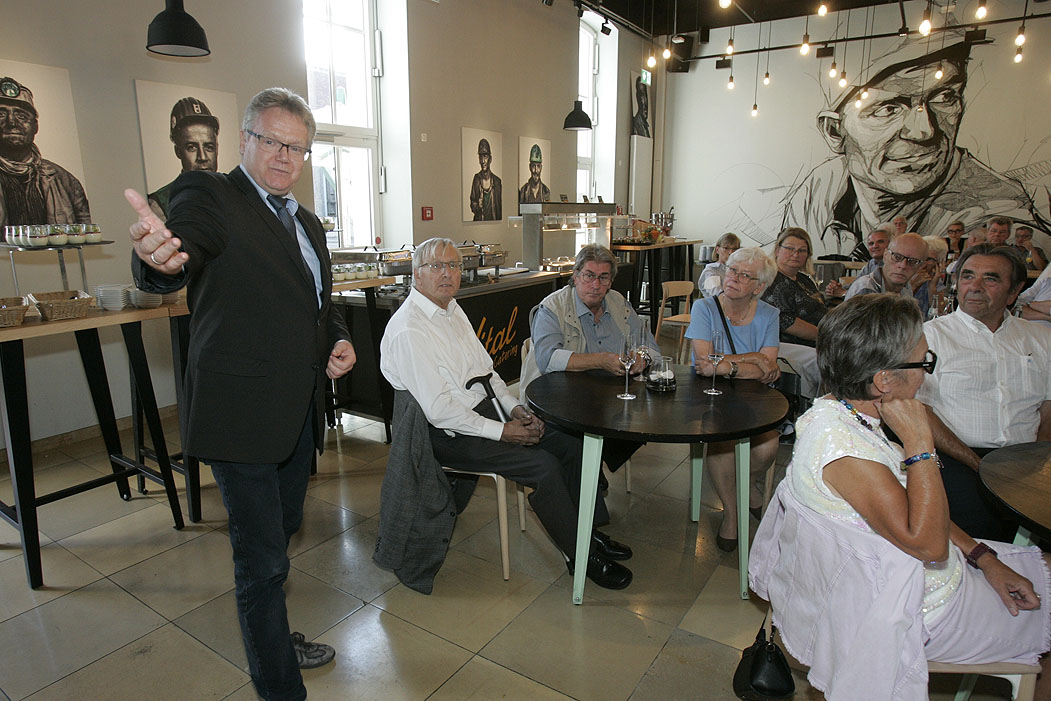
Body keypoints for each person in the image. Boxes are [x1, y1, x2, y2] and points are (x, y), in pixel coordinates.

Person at [125, 87, 355, 701]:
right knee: (261, 563)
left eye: (298, 148)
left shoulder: (305, 221)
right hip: (240, 417)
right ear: (246, 140)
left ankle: (276, 636)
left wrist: (335, 338)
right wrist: (159, 259)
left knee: (278, 540)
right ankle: (280, 687)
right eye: (273, 142)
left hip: (296, 414)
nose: (285, 158)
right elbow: (182, 245)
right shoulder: (212, 196)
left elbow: (317, 304)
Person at [749, 294, 1051, 701]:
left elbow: (910, 508)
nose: (927, 376)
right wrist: (920, 445)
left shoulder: (830, 412)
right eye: (924, 363)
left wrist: (982, 555)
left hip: (898, 584)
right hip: (918, 610)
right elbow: (927, 544)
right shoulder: (850, 453)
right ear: (884, 381)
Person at [380, 237, 633, 590]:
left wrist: (516, 410)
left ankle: (586, 533)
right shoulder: (410, 329)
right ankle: (581, 555)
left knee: (570, 445)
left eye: (454, 265)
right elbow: (440, 412)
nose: (447, 274)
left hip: (481, 415)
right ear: (415, 274)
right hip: (441, 434)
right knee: (543, 467)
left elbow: (488, 375)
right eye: (436, 266)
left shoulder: (452, 310)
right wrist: (504, 432)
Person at [783, 41, 1048, 249]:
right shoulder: (817, 192)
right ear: (834, 132)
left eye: (943, 97)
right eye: (888, 109)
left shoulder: (994, 211)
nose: (923, 131)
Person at [916, 244, 1051, 540]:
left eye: (990, 279)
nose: (975, 287)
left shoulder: (1041, 339)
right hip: (957, 458)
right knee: (984, 532)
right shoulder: (929, 336)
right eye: (967, 276)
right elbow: (919, 411)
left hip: (1026, 460)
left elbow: (1048, 409)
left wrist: (1038, 462)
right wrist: (978, 465)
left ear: (1014, 291)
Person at [522, 244, 660, 484]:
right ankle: (587, 496)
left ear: (611, 281)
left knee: (643, 422)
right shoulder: (552, 308)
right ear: (575, 276)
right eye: (589, 276)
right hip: (561, 402)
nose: (595, 285)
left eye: (603, 277)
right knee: (577, 437)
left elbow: (651, 348)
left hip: (608, 400)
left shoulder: (618, 304)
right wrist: (601, 360)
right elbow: (547, 359)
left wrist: (642, 358)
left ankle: (593, 464)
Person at [685, 247, 781, 551]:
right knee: (721, 443)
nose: (733, 278)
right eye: (731, 270)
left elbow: (767, 373)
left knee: (768, 447)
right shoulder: (704, 308)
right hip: (708, 394)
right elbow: (704, 364)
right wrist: (751, 359)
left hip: (754, 396)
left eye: (744, 275)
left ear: (759, 286)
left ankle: (743, 486)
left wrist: (728, 366)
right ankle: (732, 512)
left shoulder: (769, 315)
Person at [0, 76, 91, 226]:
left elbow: (84, 234)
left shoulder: (65, 181)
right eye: (1, 114)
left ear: (35, 126)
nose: (12, 122)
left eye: (22, 116)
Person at [760, 228, 825, 396]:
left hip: (817, 339)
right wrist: (825, 336)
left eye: (802, 250)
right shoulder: (771, 280)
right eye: (789, 248)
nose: (795, 254)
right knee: (830, 360)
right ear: (777, 250)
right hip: (786, 343)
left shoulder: (804, 280)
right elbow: (784, 321)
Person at [148, 96, 220, 219]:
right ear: (178, 151)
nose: (202, 157)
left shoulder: (233, 193)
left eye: (209, 147)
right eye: (192, 147)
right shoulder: (161, 203)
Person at [844, 233, 928, 301]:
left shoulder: (906, 288)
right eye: (897, 257)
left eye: (912, 261)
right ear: (885, 256)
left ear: (920, 267)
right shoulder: (866, 290)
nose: (902, 266)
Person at [911, 235, 948, 316]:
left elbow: (940, 313)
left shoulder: (935, 279)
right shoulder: (904, 275)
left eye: (929, 259)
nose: (923, 263)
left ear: (937, 263)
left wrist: (932, 286)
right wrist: (914, 285)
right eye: (921, 257)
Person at [469, 138, 502, 221]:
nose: (483, 161)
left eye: (485, 157)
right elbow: (472, 204)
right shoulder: (476, 179)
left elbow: (500, 207)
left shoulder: (497, 182)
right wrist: (477, 206)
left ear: (490, 159)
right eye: (481, 157)